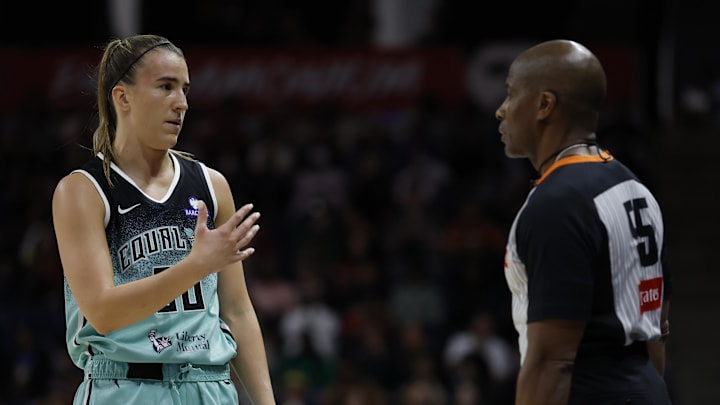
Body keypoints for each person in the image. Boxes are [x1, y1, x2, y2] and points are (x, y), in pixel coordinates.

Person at [52, 34, 276, 404]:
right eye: (166, 87)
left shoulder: (210, 184)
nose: (182, 103)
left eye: (185, 90)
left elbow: (237, 311)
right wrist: (197, 265)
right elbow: (104, 312)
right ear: (122, 97)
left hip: (210, 386)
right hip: (124, 387)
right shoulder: (83, 191)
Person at [495, 39, 672, 404]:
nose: (501, 110)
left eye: (511, 95)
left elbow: (551, 363)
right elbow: (657, 331)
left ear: (544, 105)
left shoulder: (556, 206)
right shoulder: (635, 188)